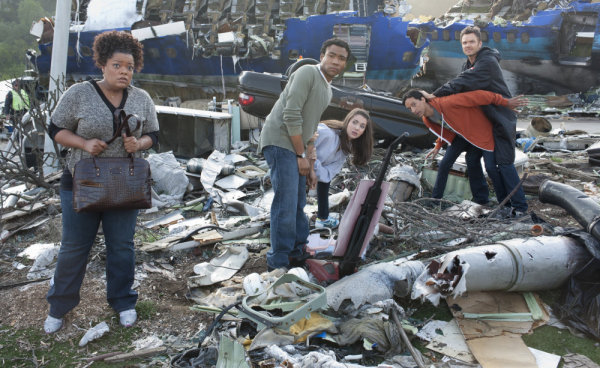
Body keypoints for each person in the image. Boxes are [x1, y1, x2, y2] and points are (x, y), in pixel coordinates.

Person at [44, 31, 159, 334]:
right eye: (117, 65)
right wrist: (83, 144)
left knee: (121, 247)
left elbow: (154, 135)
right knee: (73, 247)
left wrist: (140, 144)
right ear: (103, 65)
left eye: (130, 67)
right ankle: (59, 306)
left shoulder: (141, 99)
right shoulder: (79, 94)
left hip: (125, 185)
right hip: (82, 183)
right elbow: (55, 128)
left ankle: (123, 301)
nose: (124, 71)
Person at [258, 38, 350, 271]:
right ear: (322, 56)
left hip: (297, 146)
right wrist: (300, 155)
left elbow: (311, 127)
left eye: (341, 58)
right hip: (280, 141)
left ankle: (296, 252)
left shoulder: (327, 90)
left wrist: (309, 161)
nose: (335, 61)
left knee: (299, 201)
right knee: (286, 203)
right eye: (332, 55)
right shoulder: (307, 72)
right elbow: (291, 114)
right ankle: (277, 261)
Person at [426, 25, 528, 217]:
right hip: (484, 122)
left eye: (472, 41)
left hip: (501, 118)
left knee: (503, 163)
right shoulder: (468, 64)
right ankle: (485, 199)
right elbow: (461, 88)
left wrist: (433, 95)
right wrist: (440, 140)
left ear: (480, 43)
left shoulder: (487, 62)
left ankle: (519, 207)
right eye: (464, 43)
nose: (468, 45)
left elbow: (462, 82)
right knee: (473, 159)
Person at [402, 89, 526, 206]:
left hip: (481, 131)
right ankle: (437, 201)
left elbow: (479, 96)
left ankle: (504, 203)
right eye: (409, 108)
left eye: (414, 104)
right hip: (462, 136)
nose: (413, 110)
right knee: (445, 164)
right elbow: (445, 129)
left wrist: (505, 102)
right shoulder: (427, 119)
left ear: (423, 99)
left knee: (490, 167)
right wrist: (439, 145)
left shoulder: (447, 103)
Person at [313, 108, 373, 228]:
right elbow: (303, 146)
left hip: (312, 169)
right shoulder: (327, 133)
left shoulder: (347, 146)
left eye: (362, 126)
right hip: (295, 163)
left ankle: (322, 218)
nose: (357, 128)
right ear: (347, 121)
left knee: (325, 179)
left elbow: (329, 173)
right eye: (354, 122)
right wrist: (314, 166)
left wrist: (316, 168)